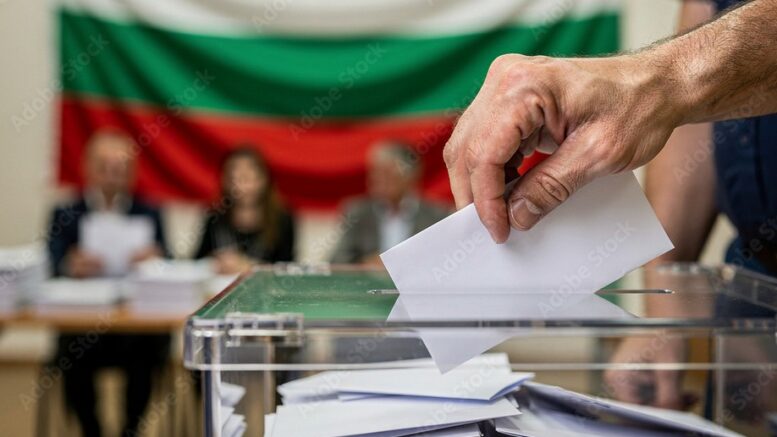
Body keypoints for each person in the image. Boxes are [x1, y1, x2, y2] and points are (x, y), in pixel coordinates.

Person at [442, 0, 777, 245]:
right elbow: (694, 107)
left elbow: (684, 91)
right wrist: (665, 286)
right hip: (744, 277)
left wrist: (655, 85)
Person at [46, 130, 170, 437]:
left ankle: (130, 429)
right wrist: (70, 265)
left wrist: (156, 260)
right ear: (87, 167)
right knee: (72, 350)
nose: (113, 174)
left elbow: (170, 264)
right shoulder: (67, 213)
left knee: (149, 348)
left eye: (121, 167)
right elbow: (51, 263)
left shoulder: (150, 211)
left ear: (133, 172)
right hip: (84, 323)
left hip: (134, 327)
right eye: (105, 166)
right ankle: (92, 430)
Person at [331, 141, 449, 264]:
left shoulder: (437, 215)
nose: (378, 179)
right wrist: (366, 264)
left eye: (387, 173)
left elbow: (447, 259)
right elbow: (336, 262)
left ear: (410, 176)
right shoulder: (358, 212)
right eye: (374, 172)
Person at [195, 147, 295, 271]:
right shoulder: (216, 215)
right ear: (225, 181)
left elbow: (288, 269)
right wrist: (215, 261)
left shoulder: (282, 219)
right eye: (234, 179)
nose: (242, 187)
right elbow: (196, 262)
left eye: (248, 179)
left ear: (265, 179)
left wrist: (250, 266)